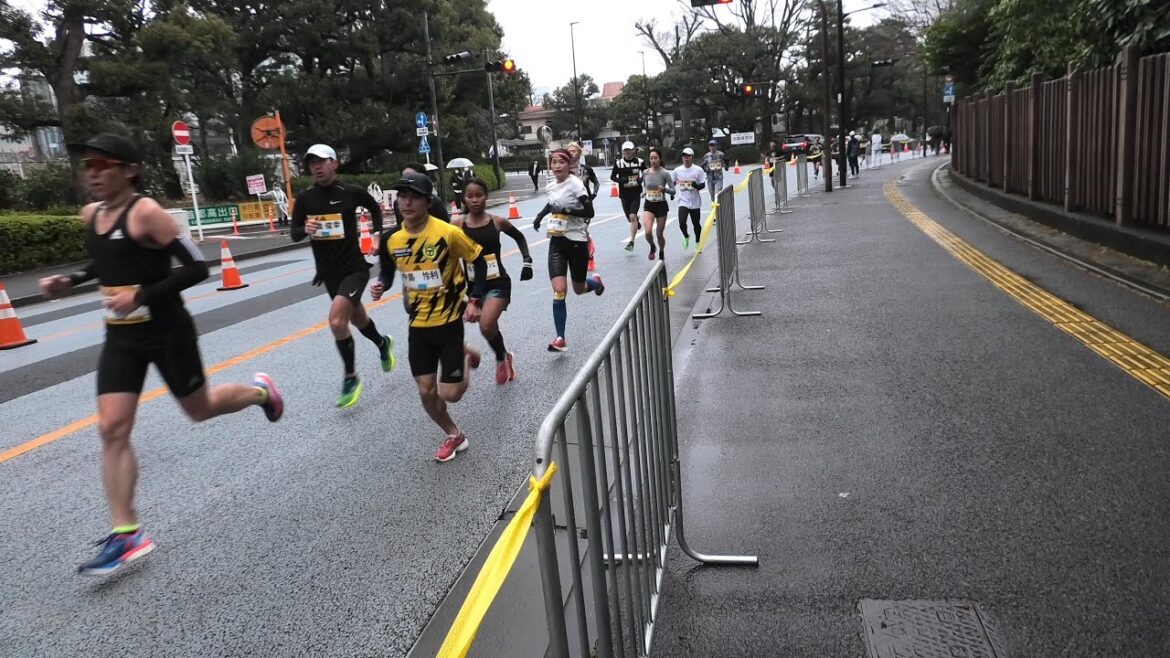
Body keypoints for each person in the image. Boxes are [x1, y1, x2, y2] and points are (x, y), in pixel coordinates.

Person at [40, 133, 284, 576]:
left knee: (200, 408)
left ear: (129, 169)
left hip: (168, 331)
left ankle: (260, 394)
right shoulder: (91, 214)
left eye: (102, 165)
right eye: (88, 165)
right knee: (112, 428)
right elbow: (107, 261)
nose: (92, 173)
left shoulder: (147, 213)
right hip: (122, 337)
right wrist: (71, 280)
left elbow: (197, 267)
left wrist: (143, 295)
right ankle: (126, 533)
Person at [372, 173, 489, 462]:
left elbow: (479, 261)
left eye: (412, 196)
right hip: (418, 325)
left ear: (427, 201)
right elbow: (388, 272)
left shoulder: (447, 233)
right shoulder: (392, 239)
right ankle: (453, 434)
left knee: (450, 394)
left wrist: (475, 300)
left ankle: (463, 357)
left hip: (449, 322)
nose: (406, 202)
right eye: (401, 196)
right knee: (426, 392)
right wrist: (381, 284)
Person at [291, 144, 395, 408]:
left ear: (334, 164)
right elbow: (294, 233)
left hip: (355, 269)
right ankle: (382, 343)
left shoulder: (349, 192)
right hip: (329, 274)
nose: (317, 166)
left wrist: (376, 235)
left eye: (322, 161)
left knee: (337, 322)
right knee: (358, 318)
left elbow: (374, 207)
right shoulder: (305, 198)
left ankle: (350, 377)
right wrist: (305, 228)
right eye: (312, 162)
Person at [452, 178, 533, 384]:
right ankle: (500, 354)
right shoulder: (456, 225)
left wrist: (527, 261)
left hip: (498, 282)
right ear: (464, 198)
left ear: (486, 196)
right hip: (471, 285)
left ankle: (501, 358)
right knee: (451, 325)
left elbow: (519, 237)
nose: (475, 200)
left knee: (486, 325)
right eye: (470, 196)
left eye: (479, 195)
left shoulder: (497, 222)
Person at [533, 148, 604, 352]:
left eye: (560, 162)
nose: (556, 166)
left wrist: (566, 211)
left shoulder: (576, 184)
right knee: (559, 290)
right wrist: (539, 216)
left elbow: (589, 211)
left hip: (577, 241)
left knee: (578, 288)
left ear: (568, 165)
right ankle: (560, 338)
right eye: (553, 162)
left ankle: (595, 283)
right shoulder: (551, 185)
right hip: (557, 241)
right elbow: (552, 204)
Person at [610, 140, 647, 252]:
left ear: (633, 151)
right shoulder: (619, 163)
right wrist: (621, 180)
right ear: (622, 152)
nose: (627, 152)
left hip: (636, 192)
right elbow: (612, 177)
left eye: (629, 150)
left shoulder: (640, 162)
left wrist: (641, 180)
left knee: (632, 216)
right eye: (625, 150)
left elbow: (646, 173)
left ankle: (632, 241)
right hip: (624, 194)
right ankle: (636, 222)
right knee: (629, 218)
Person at [393, 162, 451, 228]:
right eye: (403, 196)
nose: (407, 203)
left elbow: (445, 224)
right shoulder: (392, 237)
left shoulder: (435, 201)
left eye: (416, 197)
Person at [641, 147, 675, 260]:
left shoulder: (665, 173)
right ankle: (652, 246)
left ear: (660, 159)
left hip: (661, 205)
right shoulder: (645, 173)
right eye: (651, 158)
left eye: (655, 158)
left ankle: (661, 251)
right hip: (649, 204)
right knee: (648, 231)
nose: (653, 160)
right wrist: (644, 193)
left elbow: (673, 190)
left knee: (659, 234)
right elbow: (645, 187)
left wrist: (664, 189)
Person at [672, 147, 707, 250]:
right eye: (684, 156)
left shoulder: (698, 170)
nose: (686, 158)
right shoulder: (677, 170)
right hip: (683, 200)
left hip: (695, 201)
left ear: (692, 157)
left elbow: (702, 185)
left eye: (688, 156)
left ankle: (698, 242)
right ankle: (686, 236)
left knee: (696, 224)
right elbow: (672, 183)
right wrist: (672, 192)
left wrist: (696, 185)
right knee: (682, 222)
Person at [700, 139, 726, 203]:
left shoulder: (721, 154)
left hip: (718, 177)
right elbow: (702, 165)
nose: (712, 147)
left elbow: (727, 160)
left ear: (716, 146)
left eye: (713, 145)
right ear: (709, 147)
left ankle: (718, 208)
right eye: (711, 146)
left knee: (717, 194)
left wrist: (726, 166)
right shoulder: (706, 156)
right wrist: (706, 170)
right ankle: (714, 207)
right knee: (712, 195)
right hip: (710, 178)